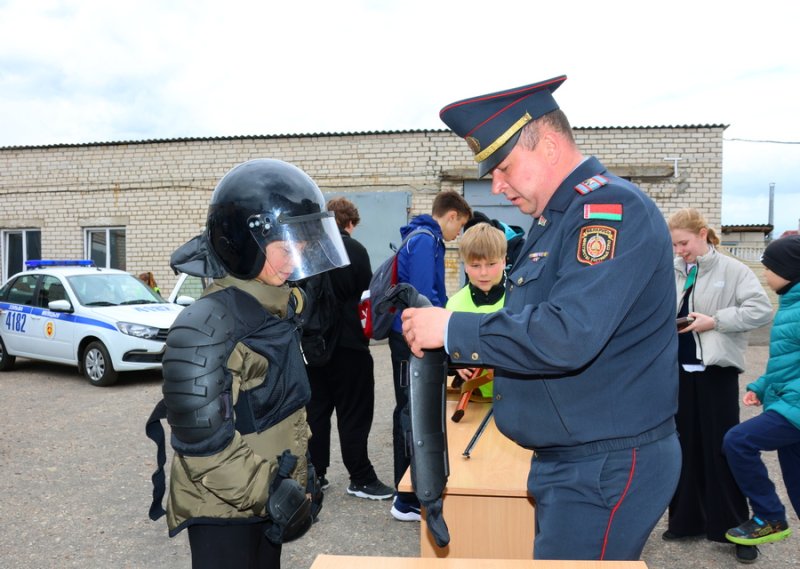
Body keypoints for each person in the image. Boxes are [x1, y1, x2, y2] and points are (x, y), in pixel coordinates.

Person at [400, 75, 682, 561]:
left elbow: (568, 333)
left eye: (505, 167)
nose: (496, 184)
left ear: (549, 146)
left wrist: (451, 329)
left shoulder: (609, 212)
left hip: (603, 464)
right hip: (573, 458)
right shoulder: (555, 222)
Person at [147, 159, 348, 569]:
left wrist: (298, 474)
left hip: (262, 494)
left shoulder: (278, 302)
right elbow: (204, 448)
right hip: (222, 508)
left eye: (303, 246)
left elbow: (283, 408)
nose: (295, 260)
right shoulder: (204, 328)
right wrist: (275, 491)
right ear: (243, 242)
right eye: (284, 247)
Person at [666, 208, 773, 564]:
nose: (681, 250)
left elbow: (760, 310)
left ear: (702, 234)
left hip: (716, 374)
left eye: (684, 243)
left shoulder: (735, 270)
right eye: (676, 245)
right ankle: (685, 521)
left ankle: (734, 526)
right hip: (678, 374)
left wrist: (716, 321)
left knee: (723, 449)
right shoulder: (673, 271)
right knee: (684, 448)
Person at [389, 190, 472, 522]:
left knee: (413, 412)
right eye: (460, 226)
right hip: (413, 337)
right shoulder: (426, 241)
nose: (459, 234)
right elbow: (424, 297)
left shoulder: (423, 238)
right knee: (414, 415)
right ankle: (407, 497)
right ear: (451, 216)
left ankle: (412, 492)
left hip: (413, 333)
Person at [305, 197, 394, 500]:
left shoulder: (309, 251)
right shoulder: (354, 250)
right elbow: (366, 298)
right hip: (349, 345)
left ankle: (314, 475)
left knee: (316, 412)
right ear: (350, 223)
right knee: (354, 413)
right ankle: (360, 477)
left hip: (314, 347)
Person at [723, 235, 800, 552]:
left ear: (789, 270)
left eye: (770, 267)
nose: (765, 274)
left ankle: (770, 517)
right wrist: (762, 386)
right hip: (787, 405)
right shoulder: (791, 303)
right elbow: (787, 361)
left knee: (738, 441)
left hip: (793, 409)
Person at [446, 222, 508, 400]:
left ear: (504, 260)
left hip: (517, 402)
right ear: (464, 265)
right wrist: (456, 364)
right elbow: (444, 351)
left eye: (491, 264)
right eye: (475, 266)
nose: (483, 273)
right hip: (474, 401)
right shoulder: (453, 305)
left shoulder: (520, 298)